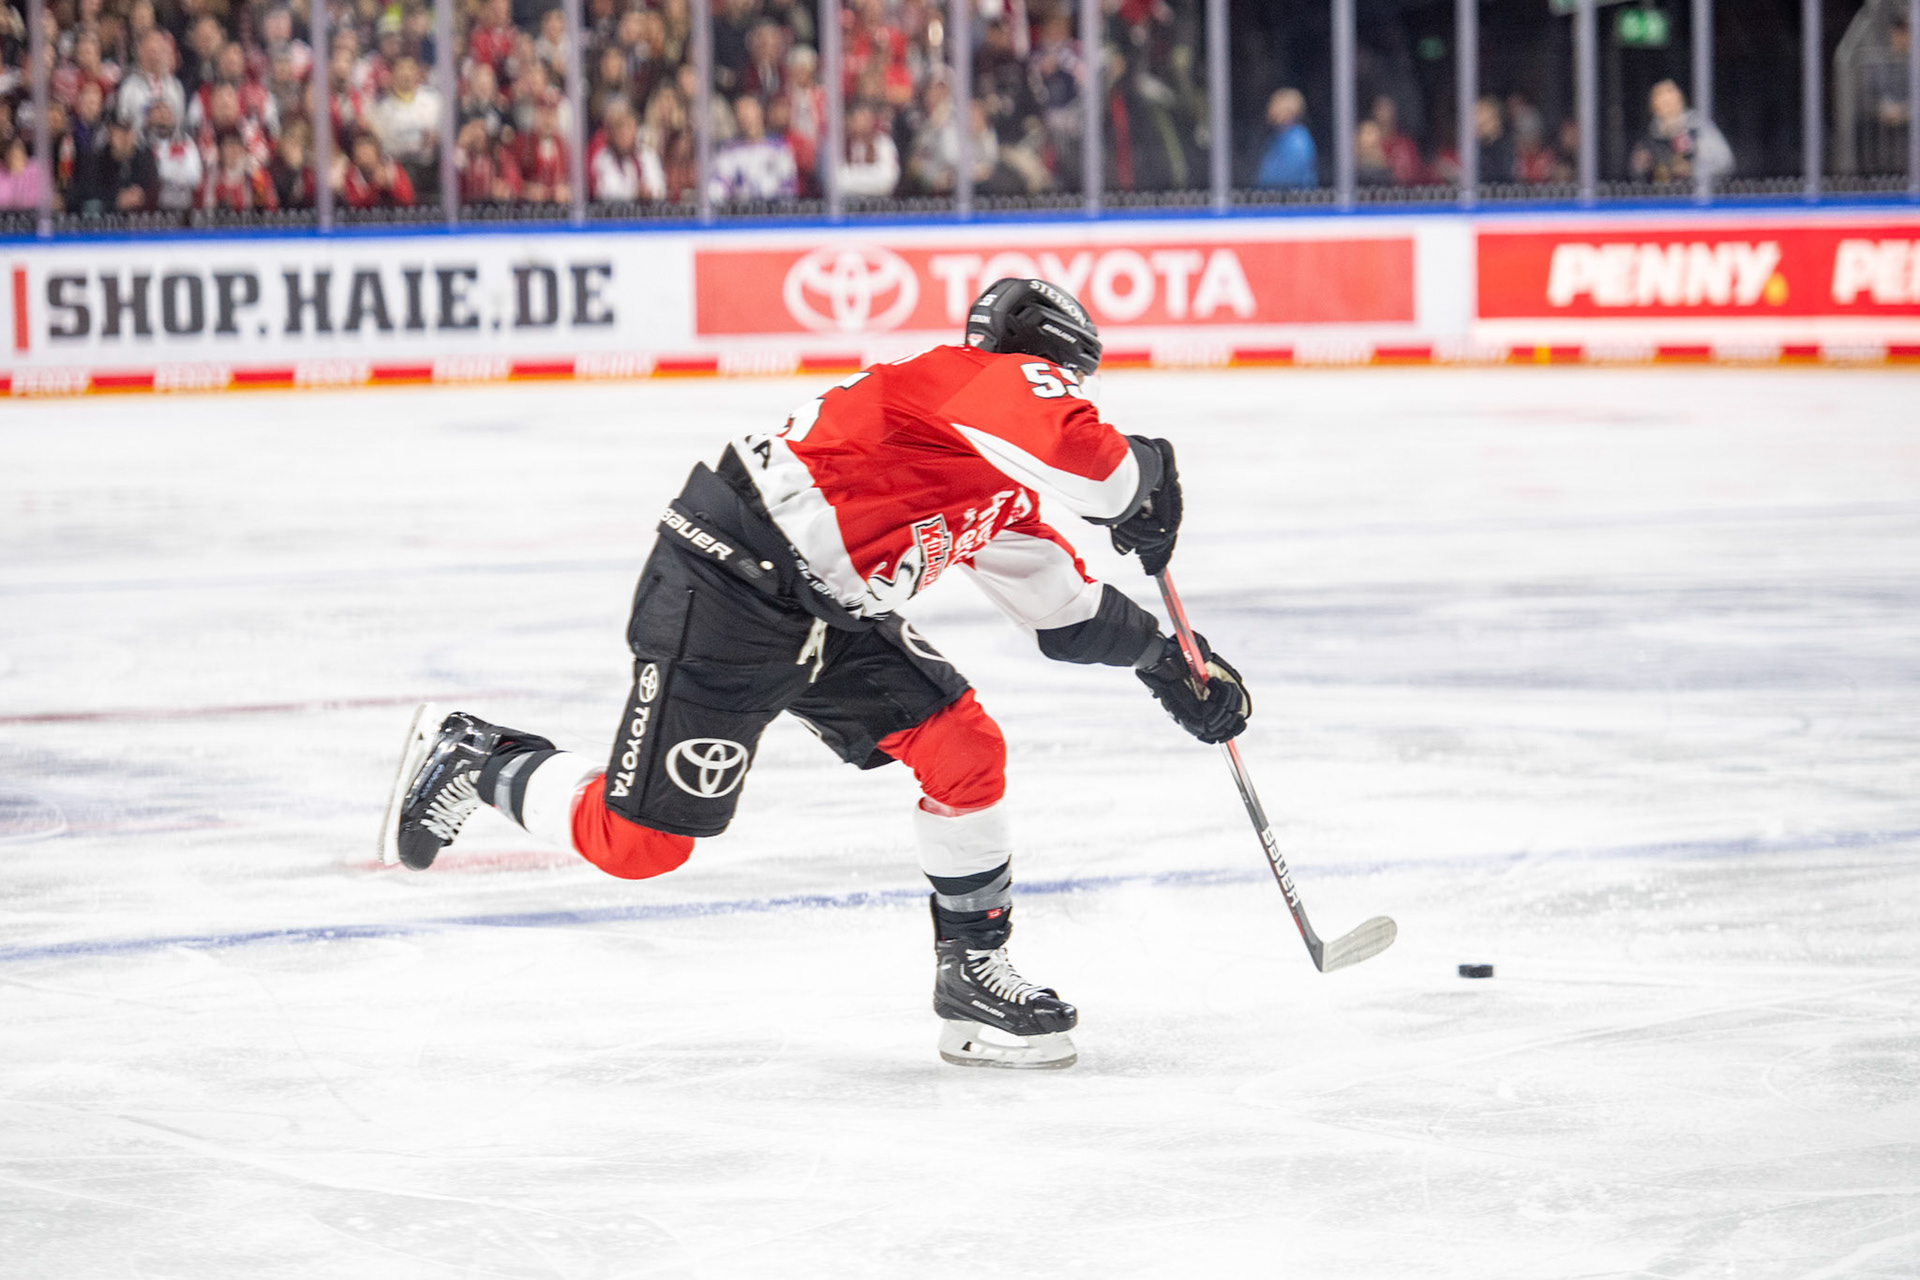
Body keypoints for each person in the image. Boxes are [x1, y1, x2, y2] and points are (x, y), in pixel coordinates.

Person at [380, 279, 1252, 1071]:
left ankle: (971, 975)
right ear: (1053, 365)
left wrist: (1168, 662)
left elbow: (1065, 612)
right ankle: (480, 759)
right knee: (640, 845)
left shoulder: (994, 483)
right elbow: (1104, 477)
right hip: (729, 585)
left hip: (828, 612)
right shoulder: (971, 377)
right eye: (1072, 385)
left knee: (964, 750)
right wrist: (1152, 474)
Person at [1630, 79, 1732, 184]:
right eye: (1661, 101)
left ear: (1680, 100)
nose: (1667, 107)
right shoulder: (1649, 137)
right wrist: (1641, 168)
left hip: (1696, 190)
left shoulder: (1698, 128)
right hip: (1659, 192)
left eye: (1670, 102)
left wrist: (1692, 169)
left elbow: (1724, 162)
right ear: (1653, 106)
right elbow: (1635, 174)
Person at [1256, 87, 1315, 188]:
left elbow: (1285, 181)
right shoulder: (1274, 138)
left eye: (1276, 106)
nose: (1270, 110)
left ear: (1290, 111)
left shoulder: (1298, 141)